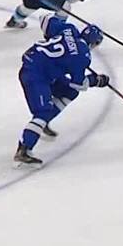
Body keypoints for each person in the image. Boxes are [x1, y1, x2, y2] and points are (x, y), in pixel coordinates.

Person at [14, 13, 109, 166]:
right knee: (42, 112)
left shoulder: (69, 29)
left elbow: (45, 19)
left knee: (69, 92)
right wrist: (96, 80)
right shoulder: (83, 56)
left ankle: (42, 123)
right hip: (35, 74)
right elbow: (79, 84)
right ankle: (24, 150)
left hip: (39, 66)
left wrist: (49, 37)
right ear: (94, 43)